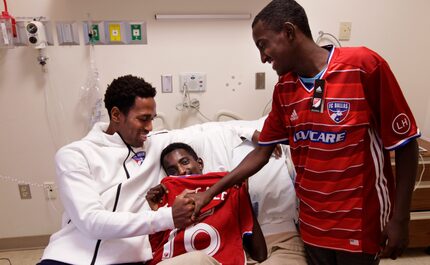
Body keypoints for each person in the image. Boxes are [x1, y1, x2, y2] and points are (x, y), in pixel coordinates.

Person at [189, 1, 420, 265]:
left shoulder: (364, 66)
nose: (262, 57)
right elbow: (262, 152)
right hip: (312, 226)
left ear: (289, 32)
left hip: (359, 221)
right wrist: (209, 192)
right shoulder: (284, 89)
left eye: (263, 44)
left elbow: (406, 144)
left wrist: (401, 218)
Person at [38, 75, 216, 265]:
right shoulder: (75, 154)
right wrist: (167, 217)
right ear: (116, 115)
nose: (149, 127)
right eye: (143, 119)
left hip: (129, 260)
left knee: (200, 261)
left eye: (152, 119)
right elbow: (91, 221)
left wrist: (250, 133)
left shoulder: (155, 143)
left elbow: (208, 132)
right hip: (68, 259)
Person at [146, 142, 267, 265]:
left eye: (185, 162)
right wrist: (156, 212)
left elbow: (260, 254)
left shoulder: (229, 188)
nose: (181, 171)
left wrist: (243, 193)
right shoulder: (166, 199)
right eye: (173, 170)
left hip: (211, 261)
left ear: (200, 163)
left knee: (198, 259)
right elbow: (155, 252)